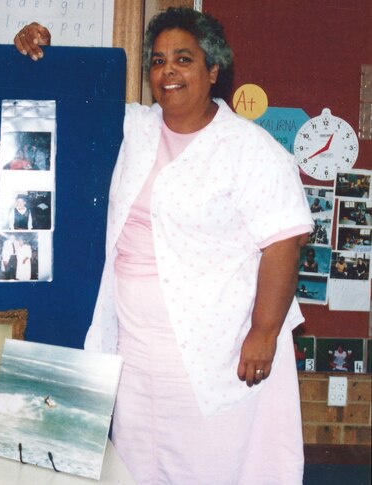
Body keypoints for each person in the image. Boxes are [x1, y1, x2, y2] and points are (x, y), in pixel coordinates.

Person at [16, 8, 312, 483]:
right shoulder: (134, 127)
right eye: (157, 61)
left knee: (210, 463)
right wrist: (38, 52)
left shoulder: (250, 149)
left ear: (213, 70)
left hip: (213, 349)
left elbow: (283, 244)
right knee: (136, 464)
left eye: (183, 59)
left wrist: (264, 333)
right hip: (133, 346)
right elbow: (68, 97)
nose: (167, 72)